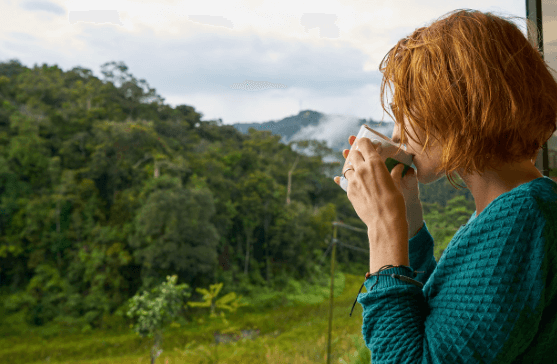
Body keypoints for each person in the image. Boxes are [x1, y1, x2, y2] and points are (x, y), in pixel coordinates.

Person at [345, 8, 557, 363]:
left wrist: (383, 227)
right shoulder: (507, 210)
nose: (396, 132)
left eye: (405, 110)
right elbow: (437, 322)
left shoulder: (522, 216)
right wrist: (409, 221)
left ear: (456, 106)